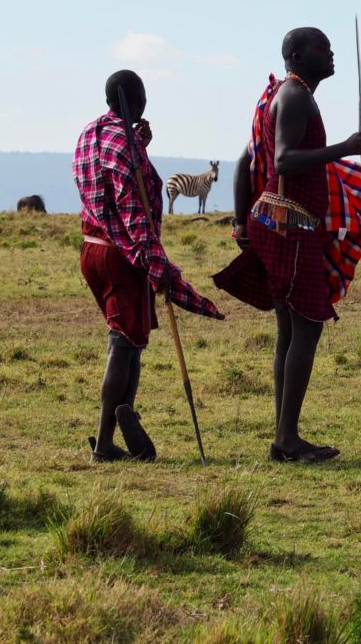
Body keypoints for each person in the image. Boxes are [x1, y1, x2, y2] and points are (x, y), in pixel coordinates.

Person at [214, 27, 361, 463]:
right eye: (321, 48)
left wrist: (240, 221)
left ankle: (284, 436)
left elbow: (247, 159)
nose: (330, 54)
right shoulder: (294, 96)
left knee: (291, 331)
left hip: (284, 221)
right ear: (296, 55)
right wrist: (344, 147)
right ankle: (286, 439)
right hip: (289, 224)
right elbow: (284, 158)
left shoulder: (290, 95)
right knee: (304, 326)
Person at [73, 69, 224, 463]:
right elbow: (131, 211)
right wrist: (158, 268)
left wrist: (138, 141)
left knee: (129, 337)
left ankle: (125, 417)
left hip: (92, 250)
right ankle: (105, 444)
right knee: (123, 343)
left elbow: (105, 182)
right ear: (137, 101)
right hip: (121, 255)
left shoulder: (91, 134)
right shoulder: (126, 146)